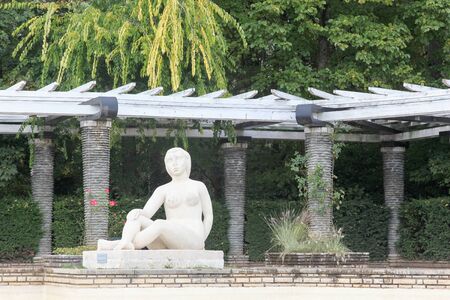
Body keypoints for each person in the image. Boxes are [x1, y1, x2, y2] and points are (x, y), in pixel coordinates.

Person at [97, 147, 213, 251]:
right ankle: (125, 242)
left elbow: (208, 216)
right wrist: (136, 212)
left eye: (178, 159)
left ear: (187, 161)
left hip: (193, 238)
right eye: (170, 160)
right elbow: (146, 213)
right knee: (136, 217)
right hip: (166, 240)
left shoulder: (198, 186)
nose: (174, 164)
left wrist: (202, 239)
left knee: (160, 224)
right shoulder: (163, 189)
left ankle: (117, 245)